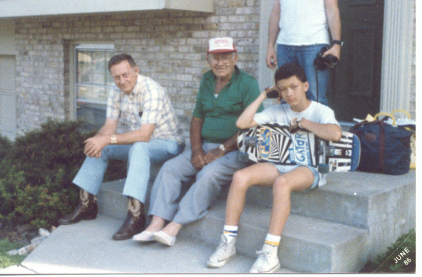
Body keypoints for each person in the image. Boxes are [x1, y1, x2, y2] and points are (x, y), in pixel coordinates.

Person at [207, 63, 342, 273]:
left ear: (305, 85)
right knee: (241, 176)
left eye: (293, 86)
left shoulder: (320, 110)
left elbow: (335, 134)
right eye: (282, 89)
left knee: (282, 183)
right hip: (279, 164)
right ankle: (228, 243)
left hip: (309, 168)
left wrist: (304, 123)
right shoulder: (276, 110)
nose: (289, 93)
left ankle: (270, 253)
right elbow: (242, 123)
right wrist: (263, 95)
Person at [131, 37, 263, 246]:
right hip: (205, 146)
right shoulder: (207, 80)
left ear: (235, 58)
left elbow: (256, 125)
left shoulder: (248, 84)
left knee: (208, 174)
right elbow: (197, 118)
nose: (220, 63)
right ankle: (156, 223)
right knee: (170, 169)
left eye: (226, 57)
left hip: (235, 150)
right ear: (208, 59)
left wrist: (221, 149)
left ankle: (174, 226)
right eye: (215, 58)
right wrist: (195, 149)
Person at [58, 54, 185, 241]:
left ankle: (136, 216)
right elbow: (110, 127)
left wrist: (107, 139)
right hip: (139, 143)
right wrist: (96, 141)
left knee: (139, 147)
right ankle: (87, 204)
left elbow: (144, 135)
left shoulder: (152, 90)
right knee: (103, 145)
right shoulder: (115, 90)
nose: (122, 81)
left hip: (167, 143)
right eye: (116, 77)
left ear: (136, 70)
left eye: (126, 75)